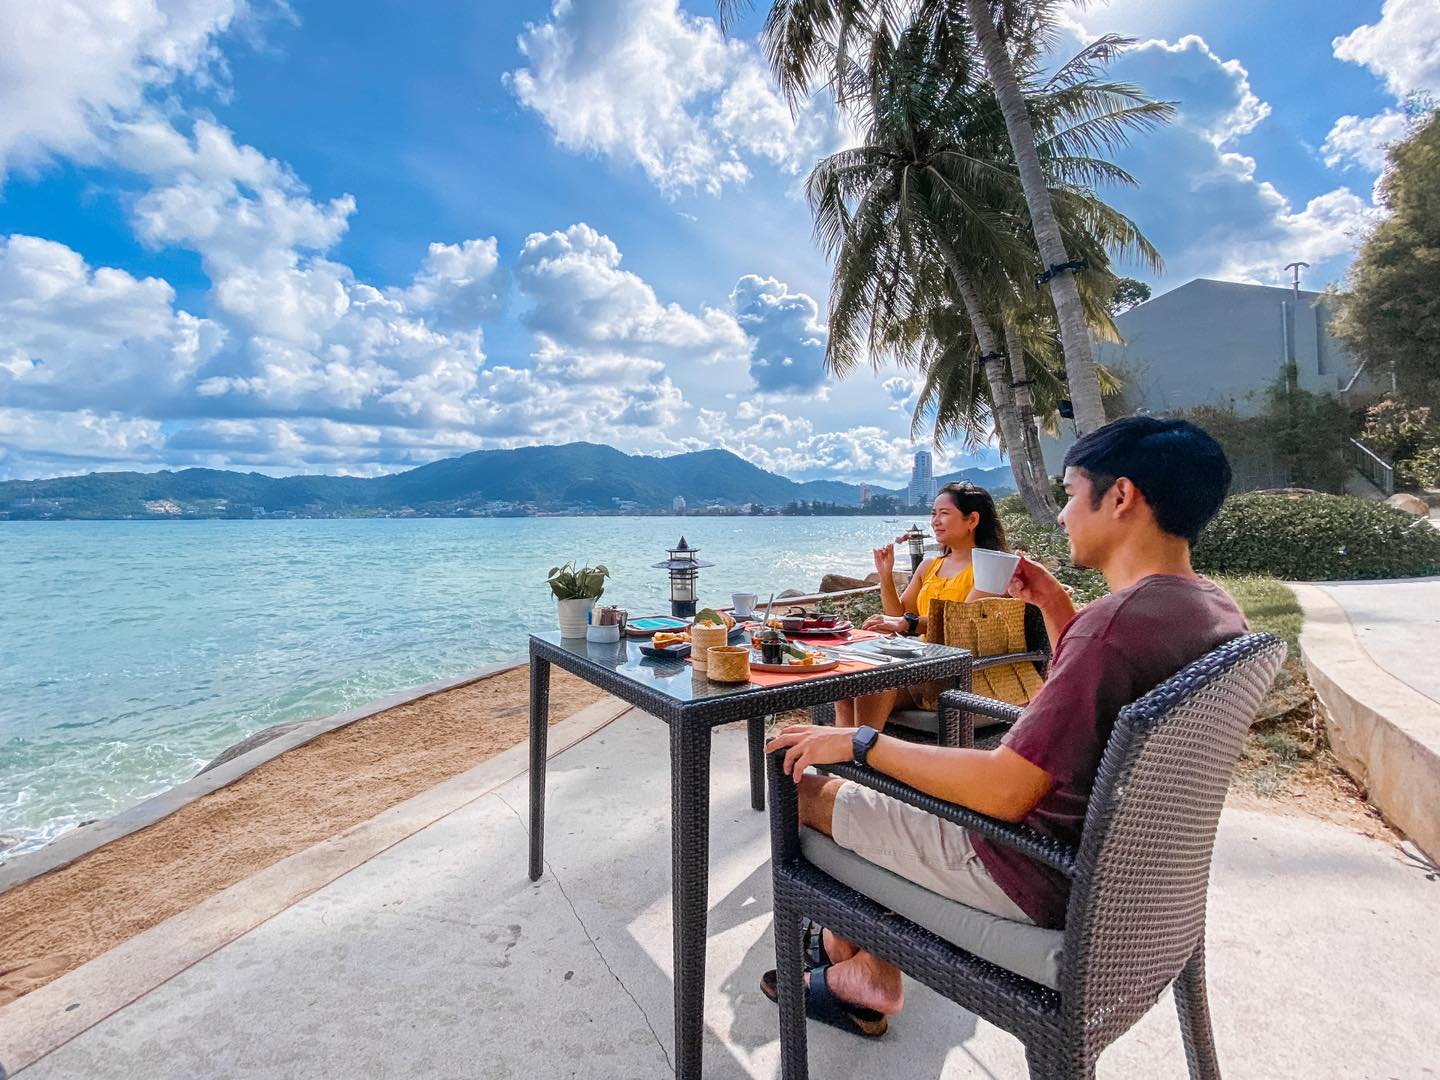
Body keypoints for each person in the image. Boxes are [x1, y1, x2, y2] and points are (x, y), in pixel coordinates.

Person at [762, 417, 1247, 1038]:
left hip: (1022, 865)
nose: (1063, 515)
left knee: (800, 787)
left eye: (1071, 494)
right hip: (1123, 877)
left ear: (1121, 497)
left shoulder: (1111, 630)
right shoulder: (1209, 608)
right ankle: (857, 962)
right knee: (878, 790)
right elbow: (1095, 686)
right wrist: (1054, 605)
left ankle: (854, 962)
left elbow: (1004, 791)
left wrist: (860, 742)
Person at [834, 482, 1008, 731]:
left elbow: (962, 623)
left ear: (972, 520)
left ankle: (861, 748)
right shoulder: (930, 566)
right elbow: (898, 616)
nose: (935, 521)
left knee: (873, 682)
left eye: (944, 514)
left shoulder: (991, 569)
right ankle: (849, 750)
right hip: (923, 666)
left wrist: (907, 623)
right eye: (933, 514)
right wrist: (885, 577)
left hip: (962, 672)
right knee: (847, 685)